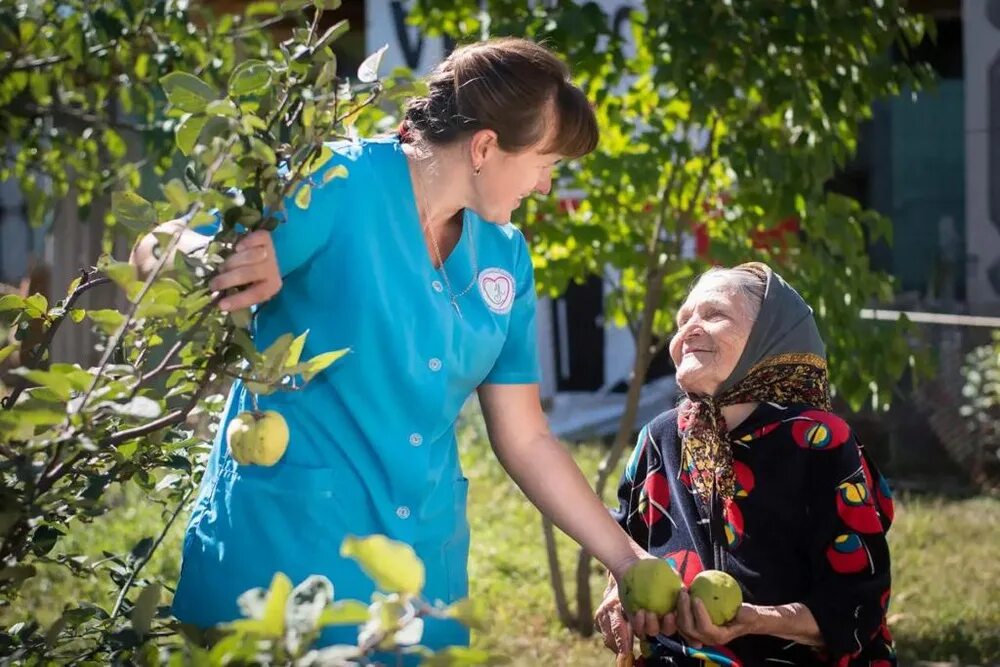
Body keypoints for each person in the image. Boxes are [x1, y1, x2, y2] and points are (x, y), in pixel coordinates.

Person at [130, 37, 663, 655]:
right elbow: (158, 247)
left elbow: (526, 437)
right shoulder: (334, 181)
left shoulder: (506, 254)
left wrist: (625, 561)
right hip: (283, 563)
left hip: (419, 581)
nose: (546, 187)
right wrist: (209, 258)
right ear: (486, 147)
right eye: (546, 161)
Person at [594, 263, 896, 666]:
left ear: (771, 336)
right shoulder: (659, 437)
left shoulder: (819, 440)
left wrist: (754, 620)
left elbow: (857, 606)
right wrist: (618, 591)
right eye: (683, 320)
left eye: (714, 314)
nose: (688, 332)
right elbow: (624, 541)